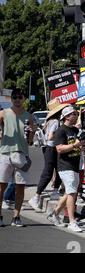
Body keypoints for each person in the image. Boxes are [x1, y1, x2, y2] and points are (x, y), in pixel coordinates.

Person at [47, 106, 84, 232]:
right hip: (65, 166)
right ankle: (72, 221)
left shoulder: (74, 130)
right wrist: (75, 145)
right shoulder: (61, 131)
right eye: (74, 113)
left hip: (74, 165)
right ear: (67, 116)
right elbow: (59, 148)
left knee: (69, 192)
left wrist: (81, 146)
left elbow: (78, 145)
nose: (76, 115)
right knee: (72, 193)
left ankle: (54, 213)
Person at [0, 89, 34, 227]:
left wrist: (32, 133)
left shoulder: (29, 116)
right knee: (1, 186)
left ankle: (16, 216)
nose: (17, 99)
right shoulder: (3, 113)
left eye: (20, 97)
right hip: (5, 153)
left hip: (22, 154)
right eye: (14, 97)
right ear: (11, 99)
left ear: (24, 98)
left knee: (20, 187)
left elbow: (30, 142)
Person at [28, 99, 67, 211]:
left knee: (56, 169)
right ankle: (37, 196)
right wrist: (59, 134)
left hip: (48, 148)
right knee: (48, 172)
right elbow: (50, 136)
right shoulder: (55, 122)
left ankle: (53, 191)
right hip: (51, 147)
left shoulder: (49, 121)